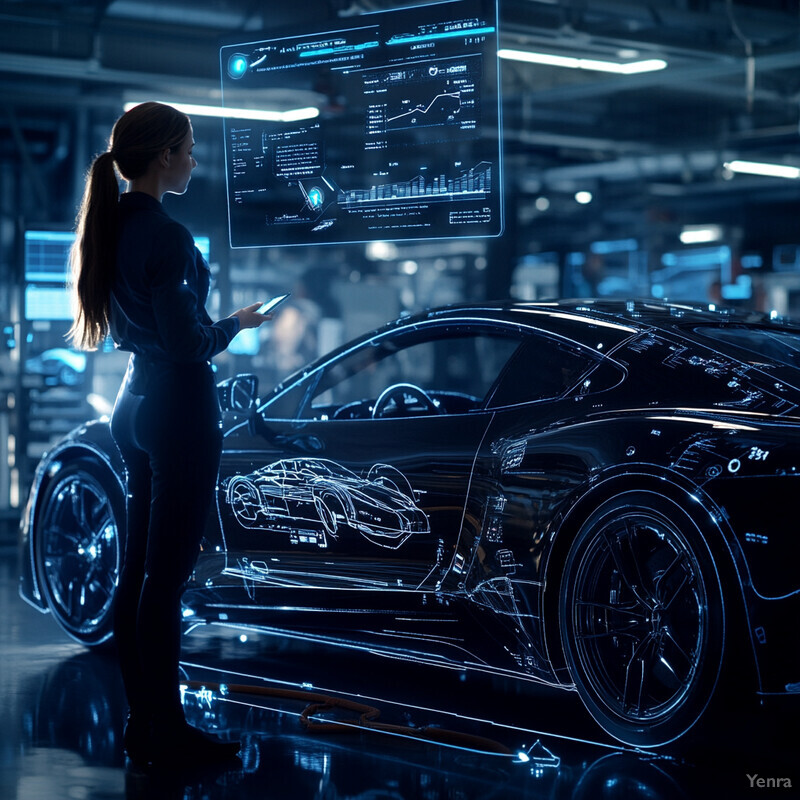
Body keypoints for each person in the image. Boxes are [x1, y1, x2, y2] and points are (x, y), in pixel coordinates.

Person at [68, 102, 268, 769]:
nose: (194, 160)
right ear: (163, 158)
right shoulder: (169, 238)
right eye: (188, 150)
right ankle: (168, 733)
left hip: (135, 402)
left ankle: (143, 724)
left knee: (138, 575)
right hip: (179, 408)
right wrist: (237, 323)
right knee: (166, 579)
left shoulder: (111, 225)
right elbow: (189, 343)